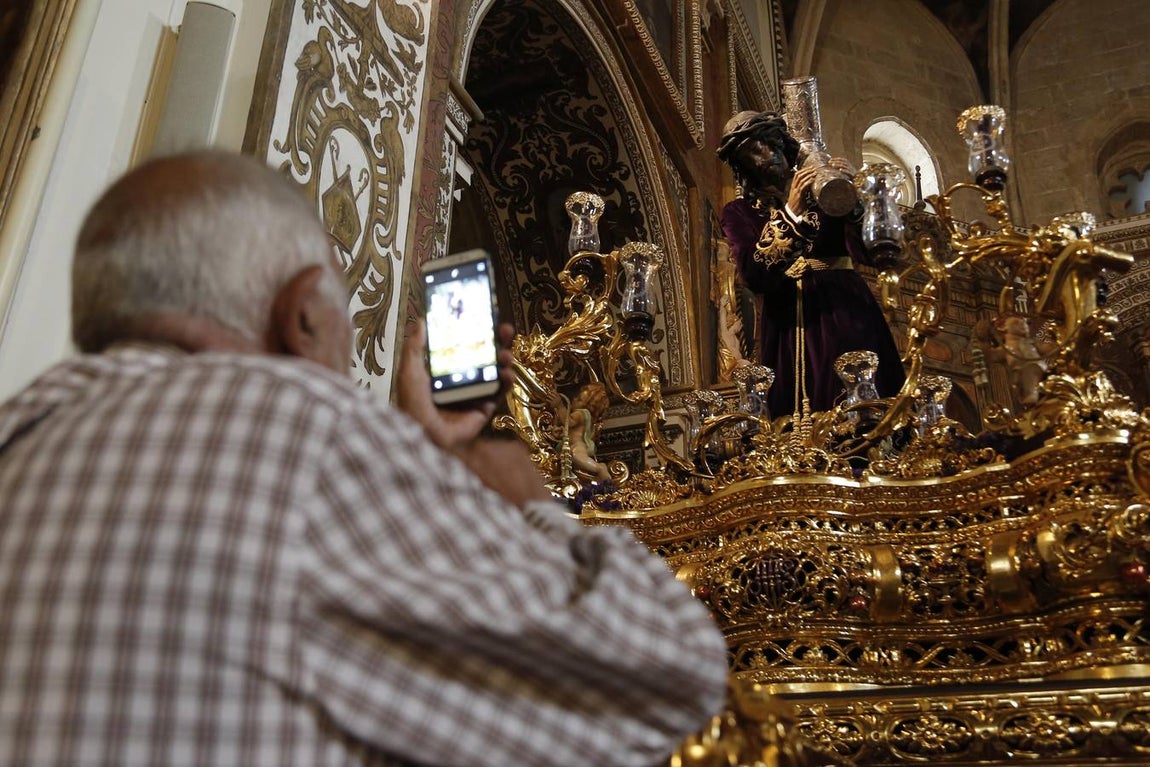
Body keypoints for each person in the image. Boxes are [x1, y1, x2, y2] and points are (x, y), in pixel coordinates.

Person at [0, 151, 728, 766]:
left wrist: (419, 455)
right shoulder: (292, 427)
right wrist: (523, 501)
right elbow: (669, 666)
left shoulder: (24, 429)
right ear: (306, 310)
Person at [717, 110, 905, 421]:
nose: (765, 155)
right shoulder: (740, 212)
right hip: (789, 320)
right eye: (752, 151)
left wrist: (855, 197)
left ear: (780, 140)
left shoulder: (824, 186)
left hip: (845, 309)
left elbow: (876, 252)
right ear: (743, 165)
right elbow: (754, 274)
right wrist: (791, 212)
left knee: (865, 405)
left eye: (768, 142)